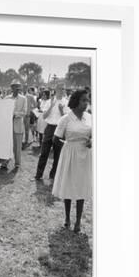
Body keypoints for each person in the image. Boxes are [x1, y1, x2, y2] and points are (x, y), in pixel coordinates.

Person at [51, 90, 92, 233]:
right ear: (75, 102)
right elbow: (55, 139)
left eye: (87, 100)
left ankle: (78, 222)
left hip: (85, 155)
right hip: (69, 155)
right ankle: (67, 218)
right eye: (83, 100)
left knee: (81, 186)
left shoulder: (90, 118)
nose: (86, 103)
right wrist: (68, 149)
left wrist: (92, 141)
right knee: (68, 185)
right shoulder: (65, 119)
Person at [33, 83, 69, 180]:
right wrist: (51, 106)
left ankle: (53, 176)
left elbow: (66, 120)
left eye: (63, 89)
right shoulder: (50, 101)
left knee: (57, 155)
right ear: (56, 90)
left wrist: (61, 110)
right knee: (44, 153)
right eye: (60, 89)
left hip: (60, 129)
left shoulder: (66, 102)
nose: (62, 91)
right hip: (49, 128)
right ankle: (38, 175)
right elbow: (44, 116)